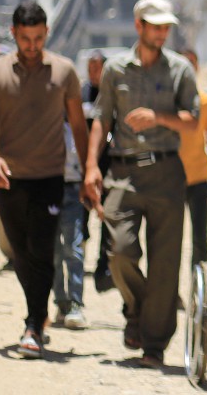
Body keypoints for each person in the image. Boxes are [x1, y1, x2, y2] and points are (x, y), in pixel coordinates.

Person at [84, 0, 200, 369]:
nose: (163, 32)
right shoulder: (115, 69)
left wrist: (159, 118)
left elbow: (192, 120)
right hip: (122, 172)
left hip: (167, 171)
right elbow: (101, 119)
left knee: (166, 263)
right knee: (119, 251)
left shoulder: (181, 69)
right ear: (139, 26)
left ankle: (153, 343)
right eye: (156, 26)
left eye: (167, 26)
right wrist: (91, 167)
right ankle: (137, 310)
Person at [0, 2, 98, 360]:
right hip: (8, 179)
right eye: (26, 38)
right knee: (20, 254)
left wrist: (89, 169)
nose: (32, 46)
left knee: (43, 251)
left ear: (46, 34)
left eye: (39, 38)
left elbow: (78, 125)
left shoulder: (63, 71)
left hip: (49, 178)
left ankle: (33, 323)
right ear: (13, 34)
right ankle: (38, 312)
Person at [178, 48, 207, 268]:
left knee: (199, 238)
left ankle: (199, 287)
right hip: (170, 179)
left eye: (191, 62)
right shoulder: (167, 103)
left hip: (198, 177)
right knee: (170, 241)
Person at [82, 50, 115, 293]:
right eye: (90, 68)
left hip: (108, 166)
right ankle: (79, 258)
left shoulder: (111, 94)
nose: (94, 73)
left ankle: (104, 265)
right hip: (83, 166)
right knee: (80, 216)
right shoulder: (81, 92)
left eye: (97, 68)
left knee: (108, 216)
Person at [52, 122, 88, 329]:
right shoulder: (46, 123)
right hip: (50, 189)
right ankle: (60, 301)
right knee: (54, 252)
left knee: (73, 249)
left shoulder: (78, 126)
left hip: (73, 190)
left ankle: (76, 303)